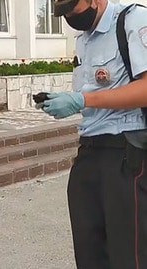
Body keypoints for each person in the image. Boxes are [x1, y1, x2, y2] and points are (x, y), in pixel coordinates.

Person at [39, 0, 147, 268]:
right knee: (90, 255)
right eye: (61, 12)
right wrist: (67, 101)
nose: (68, 17)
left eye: (71, 9)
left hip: (125, 154)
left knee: (128, 256)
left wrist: (84, 100)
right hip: (89, 152)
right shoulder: (84, 39)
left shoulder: (133, 21)